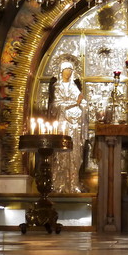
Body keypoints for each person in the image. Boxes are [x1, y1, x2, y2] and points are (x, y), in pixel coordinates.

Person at [48, 59, 88, 193]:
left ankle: (73, 183)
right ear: (61, 71)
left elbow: (83, 103)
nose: (68, 72)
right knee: (61, 156)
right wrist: (74, 103)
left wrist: (80, 104)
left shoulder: (73, 87)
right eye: (66, 70)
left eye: (71, 70)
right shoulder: (57, 87)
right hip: (62, 125)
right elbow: (55, 106)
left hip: (74, 126)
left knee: (75, 155)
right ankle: (59, 184)